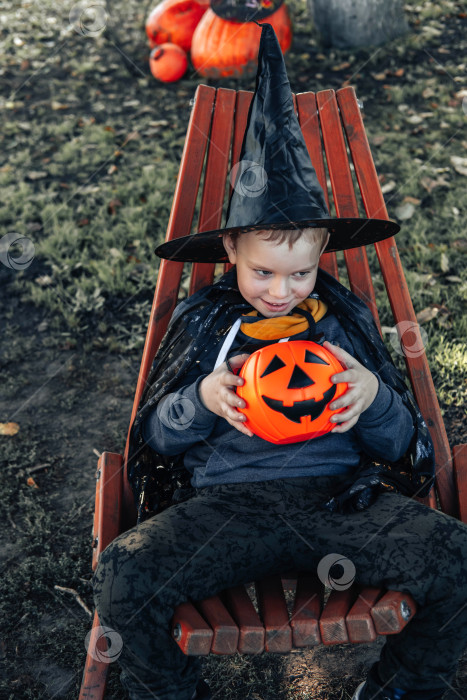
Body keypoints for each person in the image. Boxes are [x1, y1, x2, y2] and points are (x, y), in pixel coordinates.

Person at [92, 23, 467, 700]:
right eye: (263, 271)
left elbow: (396, 444)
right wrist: (199, 401)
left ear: (321, 250)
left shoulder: (340, 324)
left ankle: (399, 688)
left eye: (299, 274)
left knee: (456, 559)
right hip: (226, 508)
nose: (281, 291)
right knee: (124, 573)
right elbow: (154, 438)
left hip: (338, 503)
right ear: (230, 250)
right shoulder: (206, 322)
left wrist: (372, 401)